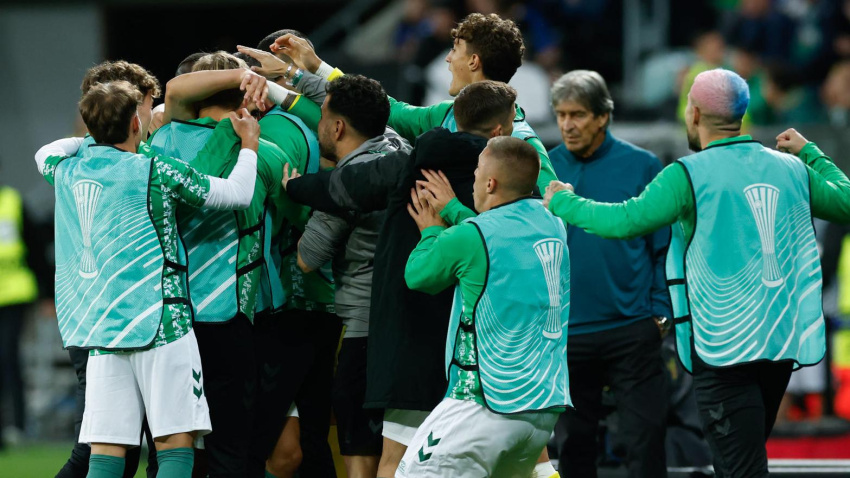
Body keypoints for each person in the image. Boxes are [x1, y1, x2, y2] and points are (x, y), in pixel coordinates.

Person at [543, 68, 850, 477]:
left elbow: (621, 222)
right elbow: (845, 202)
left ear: (694, 114)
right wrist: (811, 151)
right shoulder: (790, 168)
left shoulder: (685, 175)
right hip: (778, 346)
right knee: (743, 458)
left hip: (723, 349)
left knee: (739, 468)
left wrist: (563, 202)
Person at [284, 80, 517, 478]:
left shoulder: (412, 163)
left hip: (395, 334)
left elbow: (346, 192)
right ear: (499, 130)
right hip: (476, 346)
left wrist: (296, 186)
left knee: (387, 460)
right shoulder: (516, 180)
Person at [35, 80, 261, 478]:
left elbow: (47, 151)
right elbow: (237, 194)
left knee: (106, 450)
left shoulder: (67, 170)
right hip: (163, 325)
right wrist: (249, 145)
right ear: (137, 125)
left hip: (104, 330)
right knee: (174, 442)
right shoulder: (154, 168)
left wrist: (92, 137)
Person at [148, 52, 294, 478]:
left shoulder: (158, 145)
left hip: (168, 319)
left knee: (170, 448)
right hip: (229, 319)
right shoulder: (265, 153)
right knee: (232, 448)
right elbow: (293, 220)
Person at [397, 136, 569, 477]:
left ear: (490, 182)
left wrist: (432, 231)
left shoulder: (469, 236)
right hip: (542, 408)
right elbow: (498, 236)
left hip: (480, 404)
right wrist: (455, 211)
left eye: (478, 171)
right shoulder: (553, 222)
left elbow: (418, 276)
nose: (474, 178)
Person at [269, 12, 559, 194]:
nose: (447, 58)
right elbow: (385, 108)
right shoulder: (446, 114)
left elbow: (551, 210)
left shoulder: (522, 141)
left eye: (454, 49)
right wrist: (317, 66)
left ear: (473, 61)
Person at [546, 70, 670, 478]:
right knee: (574, 447)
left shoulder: (643, 165)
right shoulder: (545, 167)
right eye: (561, 114)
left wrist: (658, 311)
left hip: (632, 328)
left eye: (577, 114)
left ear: (602, 116)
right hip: (567, 333)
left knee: (644, 441)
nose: (567, 124)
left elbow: (663, 247)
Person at [293, 74, 410, 478]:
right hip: (412, 325)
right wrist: (292, 79)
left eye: (323, 116)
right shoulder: (398, 145)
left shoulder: (344, 188)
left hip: (364, 330)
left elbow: (308, 258)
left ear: (338, 127)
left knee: (361, 451)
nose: (318, 124)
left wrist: (296, 191)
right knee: (399, 448)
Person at [56, 60, 164, 478]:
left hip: (95, 316)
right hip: (111, 318)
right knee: (101, 449)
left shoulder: (73, 160)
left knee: (116, 449)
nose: (152, 116)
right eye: (147, 106)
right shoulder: (121, 166)